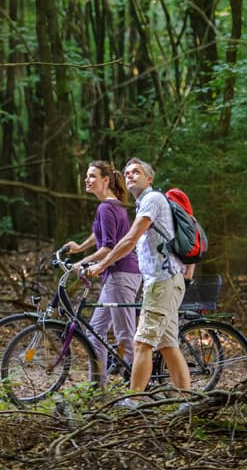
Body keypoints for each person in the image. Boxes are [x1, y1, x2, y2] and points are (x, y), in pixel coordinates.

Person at [88, 157, 191, 405]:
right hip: (162, 282)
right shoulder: (143, 203)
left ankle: (133, 401)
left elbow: (129, 240)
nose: (131, 175)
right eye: (127, 173)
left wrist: (102, 264)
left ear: (149, 178)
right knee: (168, 346)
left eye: (136, 172)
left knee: (141, 342)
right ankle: (187, 401)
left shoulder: (152, 200)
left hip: (163, 282)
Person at [62, 160, 141, 386]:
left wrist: (82, 263)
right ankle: (97, 388)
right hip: (116, 276)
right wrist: (80, 248)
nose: (87, 180)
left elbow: (108, 246)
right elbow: (100, 235)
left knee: (125, 333)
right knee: (95, 332)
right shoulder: (112, 205)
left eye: (92, 176)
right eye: (87, 176)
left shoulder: (107, 207)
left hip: (122, 275)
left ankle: (136, 387)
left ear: (105, 180)